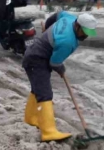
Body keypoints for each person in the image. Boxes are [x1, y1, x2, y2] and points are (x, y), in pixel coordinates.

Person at [22, 11, 98, 141]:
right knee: (45, 94)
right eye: (84, 32)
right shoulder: (67, 42)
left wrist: (47, 27)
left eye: (88, 33)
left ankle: (30, 118)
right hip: (37, 59)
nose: (85, 36)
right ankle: (48, 132)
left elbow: (57, 15)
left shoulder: (69, 18)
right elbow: (55, 63)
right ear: (77, 26)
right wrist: (61, 69)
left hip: (34, 54)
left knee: (37, 89)